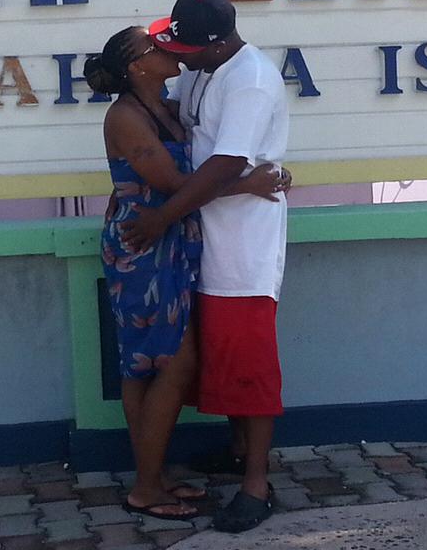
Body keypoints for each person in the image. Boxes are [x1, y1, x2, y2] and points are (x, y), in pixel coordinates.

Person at [84, 25, 289, 522]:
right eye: (154, 46)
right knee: (160, 365)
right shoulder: (126, 116)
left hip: (173, 241)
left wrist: (265, 170)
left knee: (157, 364)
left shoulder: (167, 105)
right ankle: (146, 487)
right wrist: (249, 185)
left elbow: (209, 150)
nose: (167, 48)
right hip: (144, 246)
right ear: (137, 66)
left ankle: (153, 475)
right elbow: (176, 184)